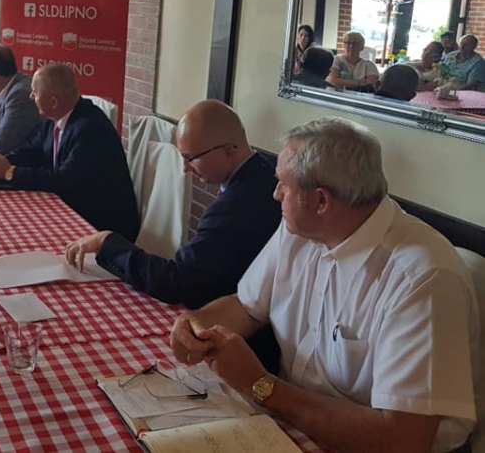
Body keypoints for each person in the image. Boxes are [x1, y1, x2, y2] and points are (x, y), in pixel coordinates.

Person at [170, 118, 478, 453]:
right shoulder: (302, 230)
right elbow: (246, 306)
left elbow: (403, 440)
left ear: (320, 201)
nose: (275, 194)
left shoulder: (422, 278)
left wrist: (259, 384)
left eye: (283, 185)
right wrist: (196, 323)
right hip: (298, 423)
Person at [64, 100, 282, 369]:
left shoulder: (237, 207)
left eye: (191, 157)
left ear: (228, 151)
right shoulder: (263, 170)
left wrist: (107, 243)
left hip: (248, 345)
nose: (185, 167)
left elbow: (175, 281)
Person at [0, 62, 140, 241]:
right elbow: (31, 151)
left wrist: (10, 172)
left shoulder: (90, 129)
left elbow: (63, 182)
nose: (31, 96)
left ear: (53, 101)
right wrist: (1, 162)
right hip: (71, 207)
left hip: (102, 225)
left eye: (35, 92)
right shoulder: (54, 118)